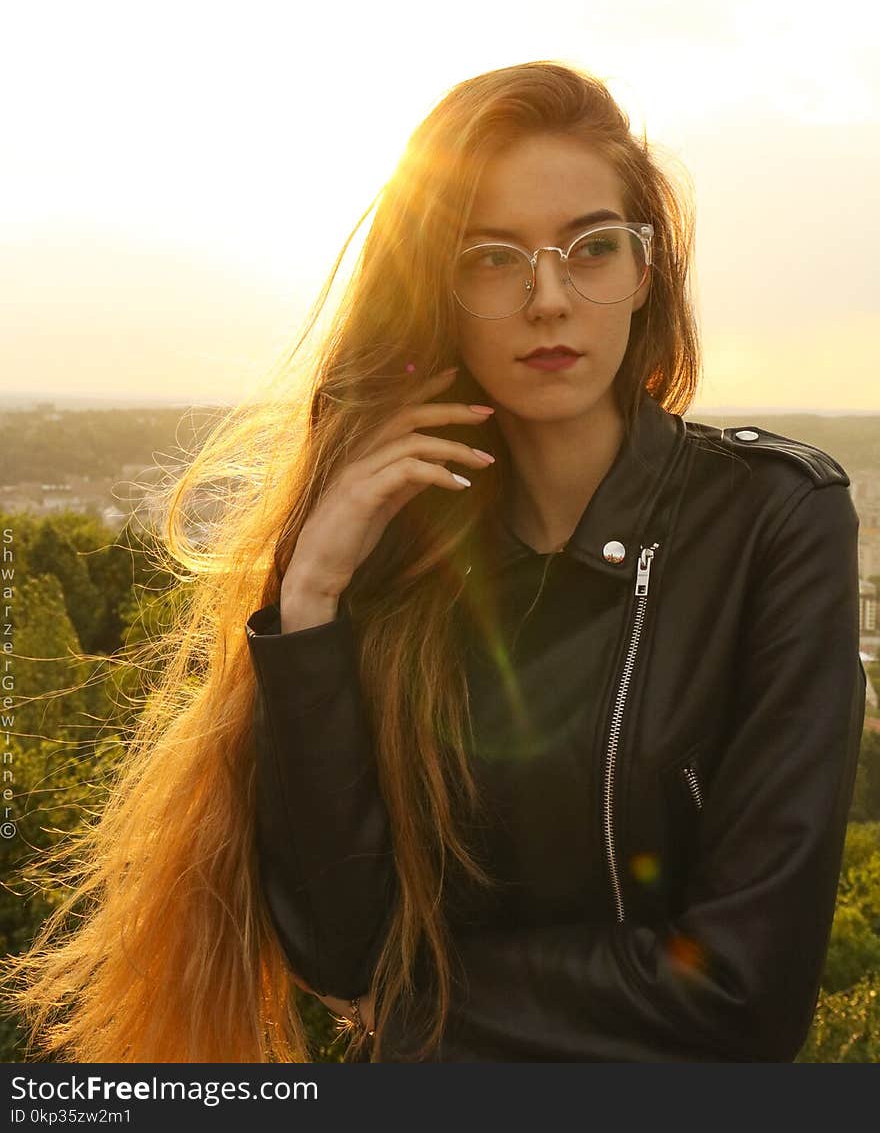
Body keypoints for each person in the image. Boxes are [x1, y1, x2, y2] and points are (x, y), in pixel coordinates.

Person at [3, 60, 865, 1065]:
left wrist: (419, 1004)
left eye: (591, 247)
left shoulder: (774, 519)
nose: (548, 298)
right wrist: (312, 595)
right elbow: (339, 947)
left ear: (646, 273)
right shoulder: (399, 568)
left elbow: (743, 993)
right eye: (492, 258)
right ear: (438, 294)